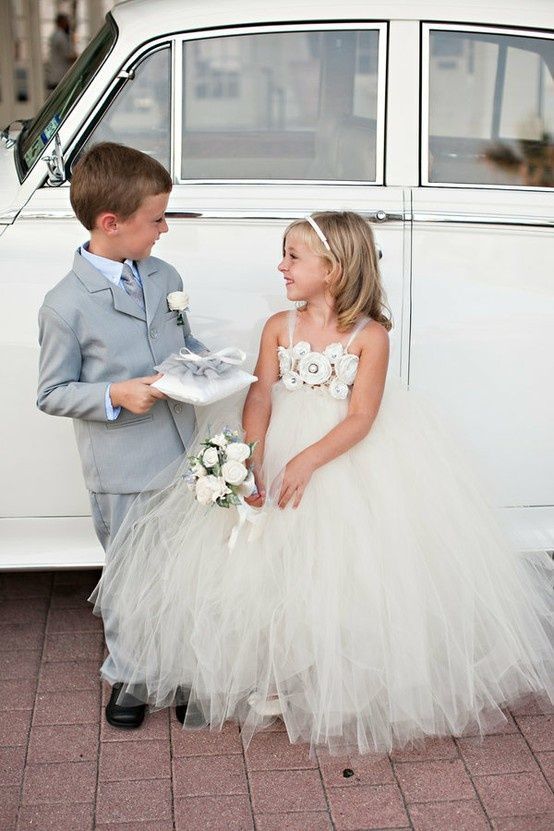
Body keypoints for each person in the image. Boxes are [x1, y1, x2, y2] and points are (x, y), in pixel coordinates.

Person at [90, 211, 553, 755]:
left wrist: (308, 460)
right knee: (262, 562)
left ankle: (321, 673)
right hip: (276, 442)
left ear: (332, 269)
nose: (280, 266)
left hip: (341, 457)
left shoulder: (369, 336)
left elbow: (361, 417)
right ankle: (267, 671)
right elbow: (260, 393)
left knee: (338, 566)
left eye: (293, 257)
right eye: (282, 254)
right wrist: (252, 451)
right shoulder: (278, 327)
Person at [37, 142, 206, 730]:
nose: (163, 229)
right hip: (123, 465)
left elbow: (183, 344)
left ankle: (186, 669)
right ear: (112, 223)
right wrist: (114, 394)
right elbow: (52, 392)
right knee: (132, 575)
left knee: (185, 567)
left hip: (181, 450)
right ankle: (133, 673)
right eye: (155, 218)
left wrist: (211, 366)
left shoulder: (166, 276)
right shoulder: (65, 306)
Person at [45, 13, 76, 92]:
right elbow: (68, 56)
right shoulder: (61, 37)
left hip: (55, 74)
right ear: (61, 22)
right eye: (66, 21)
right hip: (60, 76)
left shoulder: (54, 35)